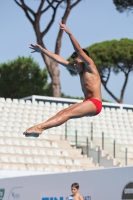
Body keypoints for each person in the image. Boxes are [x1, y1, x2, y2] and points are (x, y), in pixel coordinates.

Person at [24, 22, 102, 137]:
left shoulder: (90, 67)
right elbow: (59, 59)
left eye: (76, 63)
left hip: (95, 103)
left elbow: (79, 49)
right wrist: (42, 51)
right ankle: (40, 128)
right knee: (63, 112)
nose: (74, 65)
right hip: (88, 102)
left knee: (67, 113)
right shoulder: (79, 70)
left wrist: (69, 33)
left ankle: (40, 127)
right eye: (74, 63)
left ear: (84, 60)